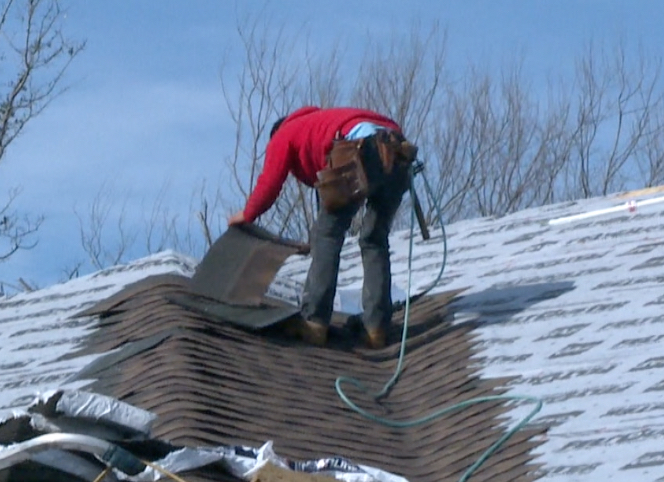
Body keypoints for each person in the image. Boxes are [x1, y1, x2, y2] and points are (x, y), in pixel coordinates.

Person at [228, 106, 412, 348]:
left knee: (326, 235)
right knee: (374, 239)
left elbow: (270, 182)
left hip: (362, 148)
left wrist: (247, 214)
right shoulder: (321, 124)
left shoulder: (285, 134)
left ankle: (314, 322)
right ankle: (376, 328)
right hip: (399, 151)